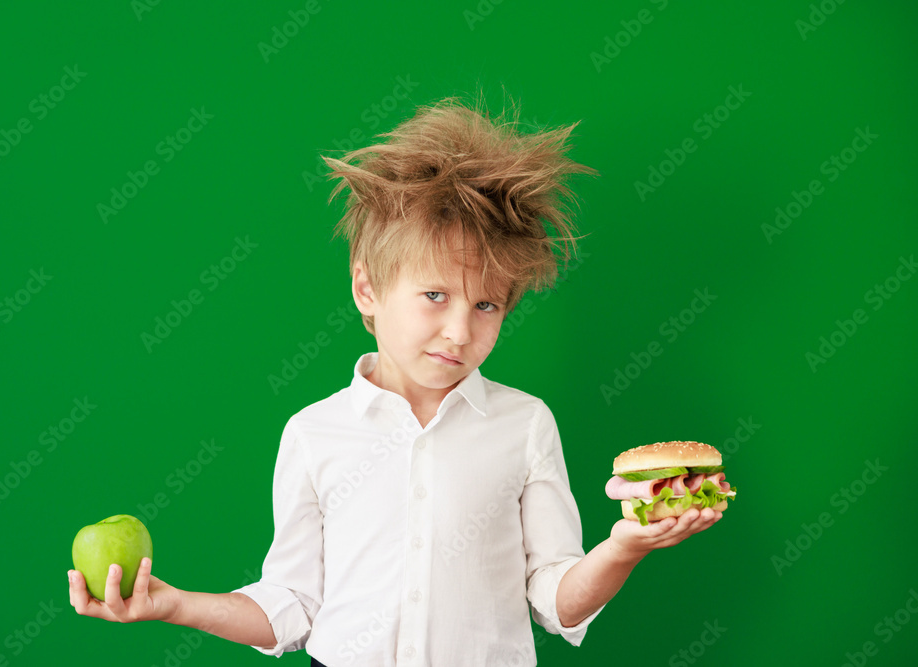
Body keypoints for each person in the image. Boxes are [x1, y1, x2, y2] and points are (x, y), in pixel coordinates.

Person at [68, 90, 722, 666]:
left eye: (486, 305)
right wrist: (175, 604)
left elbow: (558, 599)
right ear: (366, 286)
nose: (460, 331)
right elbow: (290, 604)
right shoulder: (313, 434)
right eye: (435, 295)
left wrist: (624, 546)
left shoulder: (524, 425)